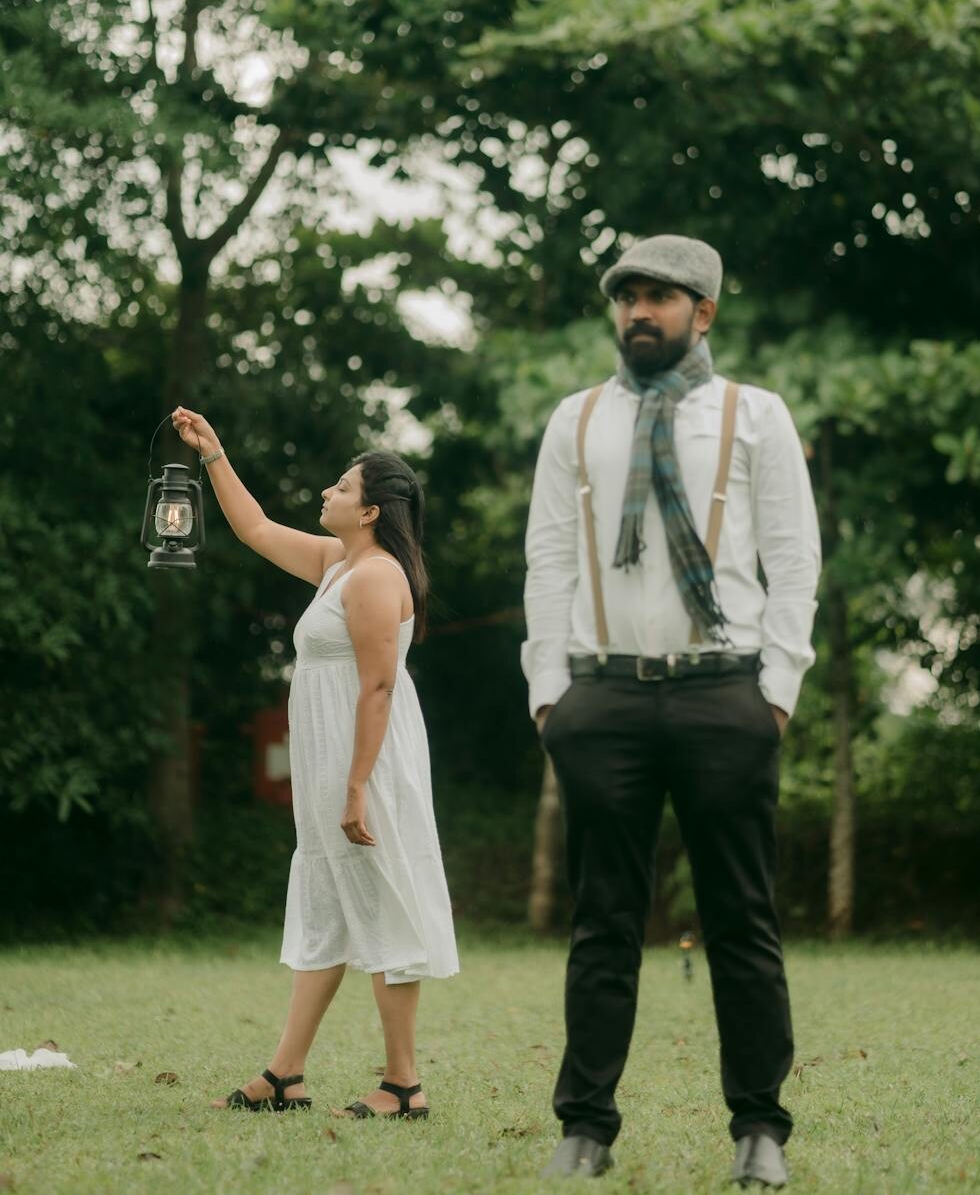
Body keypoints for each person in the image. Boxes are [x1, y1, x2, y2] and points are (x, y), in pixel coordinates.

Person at [522, 236, 821, 1187]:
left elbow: (794, 559)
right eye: (628, 297)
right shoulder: (576, 419)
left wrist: (776, 692)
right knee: (601, 922)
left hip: (722, 690)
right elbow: (549, 560)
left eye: (660, 296)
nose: (639, 312)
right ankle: (585, 1129)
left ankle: (760, 1129)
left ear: (705, 312)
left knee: (742, 919)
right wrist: (549, 693)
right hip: (601, 695)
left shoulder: (755, 415)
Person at [170, 406, 458, 1119]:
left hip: (368, 763)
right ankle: (284, 1075)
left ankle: (403, 1085)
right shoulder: (339, 564)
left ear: (371, 510)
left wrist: (357, 787)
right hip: (332, 761)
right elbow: (256, 529)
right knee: (327, 903)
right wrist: (213, 453)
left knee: (385, 904)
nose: (327, 492)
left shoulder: (375, 577)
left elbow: (379, 687)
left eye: (341, 486)